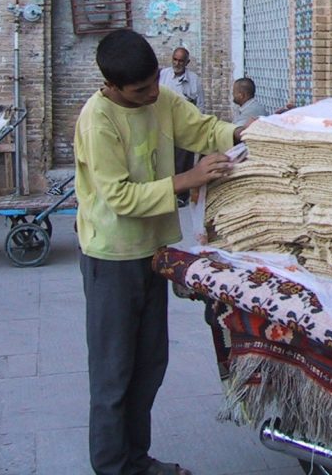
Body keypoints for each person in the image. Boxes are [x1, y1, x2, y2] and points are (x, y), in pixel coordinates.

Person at [75, 29, 242, 475]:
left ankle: (137, 459)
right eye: (140, 90)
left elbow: (201, 128)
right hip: (111, 258)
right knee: (113, 373)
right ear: (112, 86)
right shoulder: (98, 119)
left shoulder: (161, 99)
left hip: (152, 253)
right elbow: (121, 198)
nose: (152, 95)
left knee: (149, 364)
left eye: (155, 83)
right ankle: (113, 466)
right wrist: (190, 180)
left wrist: (243, 131)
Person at [159, 47, 204, 205]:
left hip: (185, 125)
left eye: (181, 61)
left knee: (183, 161)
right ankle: (167, 192)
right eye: (175, 60)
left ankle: (182, 196)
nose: (177, 63)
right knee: (165, 160)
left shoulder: (194, 80)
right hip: (165, 124)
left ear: (187, 62)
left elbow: (200, 106)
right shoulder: (163, 75)